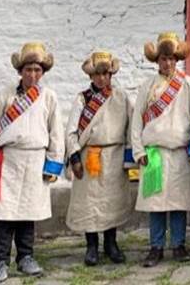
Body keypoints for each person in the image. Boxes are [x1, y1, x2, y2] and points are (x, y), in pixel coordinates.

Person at [0, 42, 64, 285]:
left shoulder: (49, 97)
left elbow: (56, 132)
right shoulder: (6, 95)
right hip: (9, 160)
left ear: (43, 72)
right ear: (20, 71)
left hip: (36, 160)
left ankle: (26, 257)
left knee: (29, 212)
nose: (33, 75)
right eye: (28, 69)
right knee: (5, 215)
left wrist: (53, 164)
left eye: (38, 70)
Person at [132, 33, 190, 267]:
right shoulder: (147, 86)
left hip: (180, 152)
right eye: (163, 58)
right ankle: (156, 246)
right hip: (154, 153)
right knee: (156, 203)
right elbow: (136, 120)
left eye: (171, 58)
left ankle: (179, 245)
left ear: (177, 59)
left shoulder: (189, 84)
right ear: (157, 60)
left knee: (179, 203)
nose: (168, 63)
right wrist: (139, 151)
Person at [65, 51, 132, 266]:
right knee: (89, 203)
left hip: (113, 156)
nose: (102, 78)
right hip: (89, 156)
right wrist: (74, 156)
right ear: (91, 76)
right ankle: (91, 246)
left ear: (111, 75)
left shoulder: (121, 97)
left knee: (110, 202)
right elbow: (71, 131)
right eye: (98, 74)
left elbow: (131, 128)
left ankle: (111, 244)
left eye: (106, 74)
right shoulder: (82, 99)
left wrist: (129, 158)